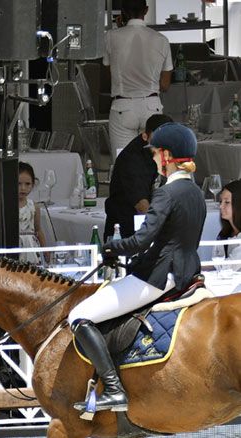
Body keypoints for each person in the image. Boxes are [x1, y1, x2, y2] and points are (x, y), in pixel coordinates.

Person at [68, 122, 205, 413]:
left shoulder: (166, 194)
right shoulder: (194, 191)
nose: (153, 158)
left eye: (155, 153)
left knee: (79, 316)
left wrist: (110, 247)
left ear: (166, 156)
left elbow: (142, 241)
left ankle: (115, 390)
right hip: (188, 270)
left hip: (160, 275)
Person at [103, 0, 173, 156]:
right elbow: (165, 84)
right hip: (151, 106)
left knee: (122, 162)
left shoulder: (111, 37)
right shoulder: (161, 40)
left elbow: (109, 76)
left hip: (123, 106)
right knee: (154, 162)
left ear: (123, 11)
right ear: (146, 10)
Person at [104, 113, 173, 240]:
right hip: (126, 226)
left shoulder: (164, 150)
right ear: (145, 136)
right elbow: (141, 204)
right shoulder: (133, 159)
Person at [17, 162, 46, 263]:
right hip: (14, 246)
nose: (23, 188)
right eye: (18, 184)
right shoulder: (5, 205)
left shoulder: (33, 206)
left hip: (31, 248)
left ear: (33, 184)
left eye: (27, 184)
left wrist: (45, 251)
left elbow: (38, 230)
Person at [213, 180, 241, 270]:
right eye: (221, 201)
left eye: (227, 202)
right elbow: (215, 262)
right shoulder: (224, 233)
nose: (221, 206)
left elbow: (229, 267)